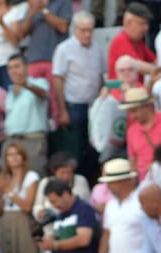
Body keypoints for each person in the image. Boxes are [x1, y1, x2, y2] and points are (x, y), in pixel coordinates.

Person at [51, 11, 103, 177]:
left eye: (90, 30)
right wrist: (63, 110)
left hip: (94, 105)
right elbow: (58, 79)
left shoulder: (97, 48)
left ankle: (89, 179)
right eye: (83, 30)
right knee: (76, 148)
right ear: (75, 30)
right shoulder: (64, 49)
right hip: (75, 105)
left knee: (94, 146)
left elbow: (101, 76)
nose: (87, 34)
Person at [38, 177, 99, 253]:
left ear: (65, 194)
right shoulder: (60, 215)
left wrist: (55, 245)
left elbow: (83, 239)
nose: (53, 205)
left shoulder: (83, 209)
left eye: (54, 201)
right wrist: (49, 241)